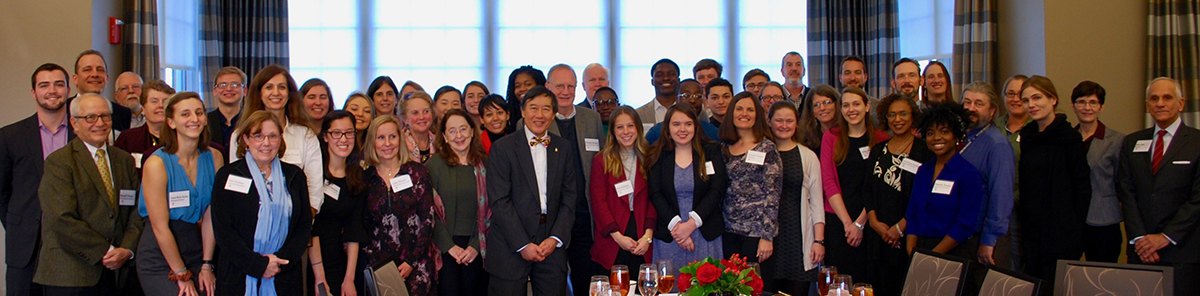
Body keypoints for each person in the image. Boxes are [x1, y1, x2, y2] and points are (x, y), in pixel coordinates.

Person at [36, 93, 143, 294]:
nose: (100, 123)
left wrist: (127, 249)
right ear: (74, 124)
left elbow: (137, 209)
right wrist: (106, 251)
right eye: (90, 117)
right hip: (71, 275)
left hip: (117, 273)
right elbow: (61, 218)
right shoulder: (59, 162)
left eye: (105, 116)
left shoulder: (124, 160)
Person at [484, 86, 579, 295]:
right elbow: (500, 201)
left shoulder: (563, 148)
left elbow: (570, 197)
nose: (539, 115)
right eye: (533, 108)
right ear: (523, 111)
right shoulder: (502, 148)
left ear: (553, 114)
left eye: (546, 109)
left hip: (551, 243)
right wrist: (522, 244)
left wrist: (556, 238)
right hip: (511, 242)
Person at [211, 111, 313, 295]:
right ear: (246, 139)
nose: (266, 143)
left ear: (280, 139)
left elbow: (304, 225)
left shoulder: (295, 176)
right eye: (258, 136)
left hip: (284, 275)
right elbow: (223, 230)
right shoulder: (228, 175)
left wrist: (278, 262)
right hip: (238, 276)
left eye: (272, 136)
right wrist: (258, 265)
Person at [1117, 77, 1200, 295]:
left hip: (1182, 251)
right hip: (1141, 251)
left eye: (1167, 97)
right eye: (1154, 98)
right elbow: (1126, 193)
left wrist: (1164, 237)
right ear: (1147, 106)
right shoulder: (1131, 142)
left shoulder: (1197, 142)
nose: (1160, 103)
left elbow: (1197, 200)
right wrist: (1140, 239)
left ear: (1180, 103)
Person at [136, 91, 223, 296]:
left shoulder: (215, 158)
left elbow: (212, 214)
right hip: (160, 255)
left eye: (199, 113)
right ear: (171, 122)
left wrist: (207, 264)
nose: (194, 119)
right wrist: (181, 274)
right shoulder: (157, 164)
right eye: (185, 114)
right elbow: (159, 227)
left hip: (197, 249)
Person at [1, 63, 75, 296]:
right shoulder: (10, 135)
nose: (52, 90)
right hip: (25, 247)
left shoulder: (82, 133)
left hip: (72, 246)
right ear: (34, 92)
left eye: (58, 84)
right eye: (44, 85)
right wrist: (18, 223)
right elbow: (2, 192)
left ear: (68, 89)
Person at [537, 64, 607, 296]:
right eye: (560, 86)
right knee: (553, 281)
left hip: (586, 215)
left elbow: (601, 164)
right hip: (552, 217)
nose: (566, 92)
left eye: (571, 86)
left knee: (585, 278)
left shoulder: (592, 118)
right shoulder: (534, 122)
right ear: (548, 87)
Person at [1017, 75, 1091, 290]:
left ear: (1053, 100)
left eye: (1037, 97)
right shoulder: (1028, 136)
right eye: (1025, 100)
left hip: (1062, 233)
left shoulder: (1069, 138)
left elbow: (1082, 187)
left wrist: (1075, 229)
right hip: (1032, 231)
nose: (1031, 104)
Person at [228, 64, 324, 213]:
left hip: (295, 220)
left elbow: (314, 186)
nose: (276, 92)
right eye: (269, 87)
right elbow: (237, 182)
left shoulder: (305, 136)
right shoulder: (240, 135)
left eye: (282, 87)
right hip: (251, 218)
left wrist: (303, 222)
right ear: (259, 93)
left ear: (290, 93)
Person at [360, 115, 438, 295]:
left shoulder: (417, 173)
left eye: (392, 137)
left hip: (416, 264)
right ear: (373, 141)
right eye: (381, 138)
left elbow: (427, 220)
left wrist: (411, 261)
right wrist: (379, 267)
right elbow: (364, 225)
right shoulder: (366, 179)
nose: (387, 143)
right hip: (380, 267)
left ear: (400, 139)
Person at [863, 94, 931, 296]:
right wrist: (874, 222)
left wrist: (900, 227)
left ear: (913, 117)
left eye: (903, 114)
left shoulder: (924, 152)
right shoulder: (877, 150)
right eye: (892, 115)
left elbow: (924, 197)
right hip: (877, 236)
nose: (897, 119)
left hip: (907, 236)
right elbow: (867, 189)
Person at [819, 86, 889, 283]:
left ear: (867, 106)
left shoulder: (882, 139)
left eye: (856, 104)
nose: (851, 109)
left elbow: (879, 185)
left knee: (866, 280)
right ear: (841, 110)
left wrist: (860, 223)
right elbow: (829, 181)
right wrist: (848, 223)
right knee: (838, 282)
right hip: (838, 221)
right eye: (846, 105)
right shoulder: (831, 137)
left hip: (870, 220)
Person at [648, 104, 727, 272]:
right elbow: (655, 193)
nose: (682, 129)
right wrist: (678, 229)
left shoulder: (712, 151)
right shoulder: (657, 153)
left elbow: (717, 189)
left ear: (696, 126)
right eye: (676, 124)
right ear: (667, 128)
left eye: (688, 124)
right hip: (670, 234)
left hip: (704, 231)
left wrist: (691, 224)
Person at [905, 103, 985, 258]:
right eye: (930, 133)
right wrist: (911, 250)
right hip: (919, 249)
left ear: (956, 135)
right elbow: (913, 212)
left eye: (944, 132)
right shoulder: (923, 171)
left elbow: (965, 223)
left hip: (953, 251)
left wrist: (934, 255)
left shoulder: (968, 174)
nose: (937, 138)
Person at [761, 101, 824, 295]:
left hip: (798, 238)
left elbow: (816, 201)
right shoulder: (760, 153)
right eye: (779, 120)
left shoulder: (807, 156)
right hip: (766, 238)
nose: (784, 125)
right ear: (769, 121)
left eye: (789, 121)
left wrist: (818, 241)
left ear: (796, 123)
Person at [428, 109, 490, 296]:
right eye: (452, 131)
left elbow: (492, 210)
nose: (459, 135)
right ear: (445, 137)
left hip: (478, 246)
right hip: (445, 248)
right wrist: (450, 247)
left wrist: (475, 247)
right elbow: (429, 212)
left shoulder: (485, 164)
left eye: (463, 129)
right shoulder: (434, 165)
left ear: (472, 131)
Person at [307, 111, 368, 296]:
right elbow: (312, 226)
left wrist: (349, 279)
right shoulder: (313, 174)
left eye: (349, 133)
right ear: (325, 137)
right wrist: (320, 277)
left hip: (347, 261)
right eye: (337, 133)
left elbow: (355, 228)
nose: (344, 139)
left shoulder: (358, 175)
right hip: (316, 261)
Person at [958, 82, 1016, 274]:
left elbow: (1001, 197)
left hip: (983, 237)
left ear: (992, 111)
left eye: (979, 103)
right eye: (967, 102)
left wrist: (989, 240)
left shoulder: (997, 145)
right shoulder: (962, 138)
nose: (971, 108)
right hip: (961, 235)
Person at [588, 106, 655, 271]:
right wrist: (618, 237)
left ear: (638, 128)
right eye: (620, 127)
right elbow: (598, 202)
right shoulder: (601, 160)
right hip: (613, 236)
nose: (626, 131)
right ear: (612, 131)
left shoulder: (649, 158)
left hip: (642, 233)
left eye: (630, 126)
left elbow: (654, 199)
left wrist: (647, 237)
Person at [719, 92, 782, 262]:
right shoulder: (723, 148)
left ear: (757, 115)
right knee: (730, 286)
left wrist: (767, 237)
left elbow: (773, 195)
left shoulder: (767, 148)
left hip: (757, 234)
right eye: (739, 109)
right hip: (728, 231)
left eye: (750, 110)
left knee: (755, 287)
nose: (744, 114)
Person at [1070, 81, 1125, 264]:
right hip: (1073, 220)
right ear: (1074, 106)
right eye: (1081, 102)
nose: (1087, 107)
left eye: (1093, 102)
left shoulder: (1117, 141)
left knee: (1102, 276)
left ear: (1101, 107)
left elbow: (1122, 182)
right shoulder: (1067, 139)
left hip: (1104, 220)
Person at [996, 74, 1028, 270]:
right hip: (996, 208)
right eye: (1010, 94)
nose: (1015, 99)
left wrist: (1012, 198)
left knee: (1020, 262)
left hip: (1021, 206)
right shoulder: (995, 126)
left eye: (1020, 94)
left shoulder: (1036, 128)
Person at [114, 80, 174, 174]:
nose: (161, 106)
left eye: (165, 102)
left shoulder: (182, 138)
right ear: (143, 108)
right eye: (154, 101)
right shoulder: (128, 138)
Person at [67, 50, 134, 132]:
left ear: (107, 78)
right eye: (87, 70)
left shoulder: (122, 113)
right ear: (75, 79)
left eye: (100, 70)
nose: (95, 74)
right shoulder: (63, 110)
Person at [645, 79, 720, 143]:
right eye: (685, 96)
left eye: (698, 96)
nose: (692, 100)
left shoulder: (714, 133)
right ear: (676, 99)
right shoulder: (657, 133)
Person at [208, 66, 248, 159]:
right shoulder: (204, 122)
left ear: (244, 91)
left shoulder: (252, 121)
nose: (229, 89)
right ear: (215, 91)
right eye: (223, 85)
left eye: (234, 84)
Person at [798, 84, 844, 155]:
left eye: (827, 102)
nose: (822, 108)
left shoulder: (847, 131)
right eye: (816, 105)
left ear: (837, 104)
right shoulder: (806, 139)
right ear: (811, 111)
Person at [638, 58, 681, 125]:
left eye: (671, 74)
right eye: (659, 75)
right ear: (652, 81)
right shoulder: (639, 114)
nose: (666, 78)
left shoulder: (691, 111)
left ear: (678, 80)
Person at [504, 66, 546, 130]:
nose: (522, 89)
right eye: (517, 86)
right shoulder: (508, 116)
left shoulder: (549, 113)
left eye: (528, 84)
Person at [401, 91, 438, 163]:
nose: (421, 117)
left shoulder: (440, 143)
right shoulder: (399, 144)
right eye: (415, 113)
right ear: (405, 119)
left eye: (426, 111)